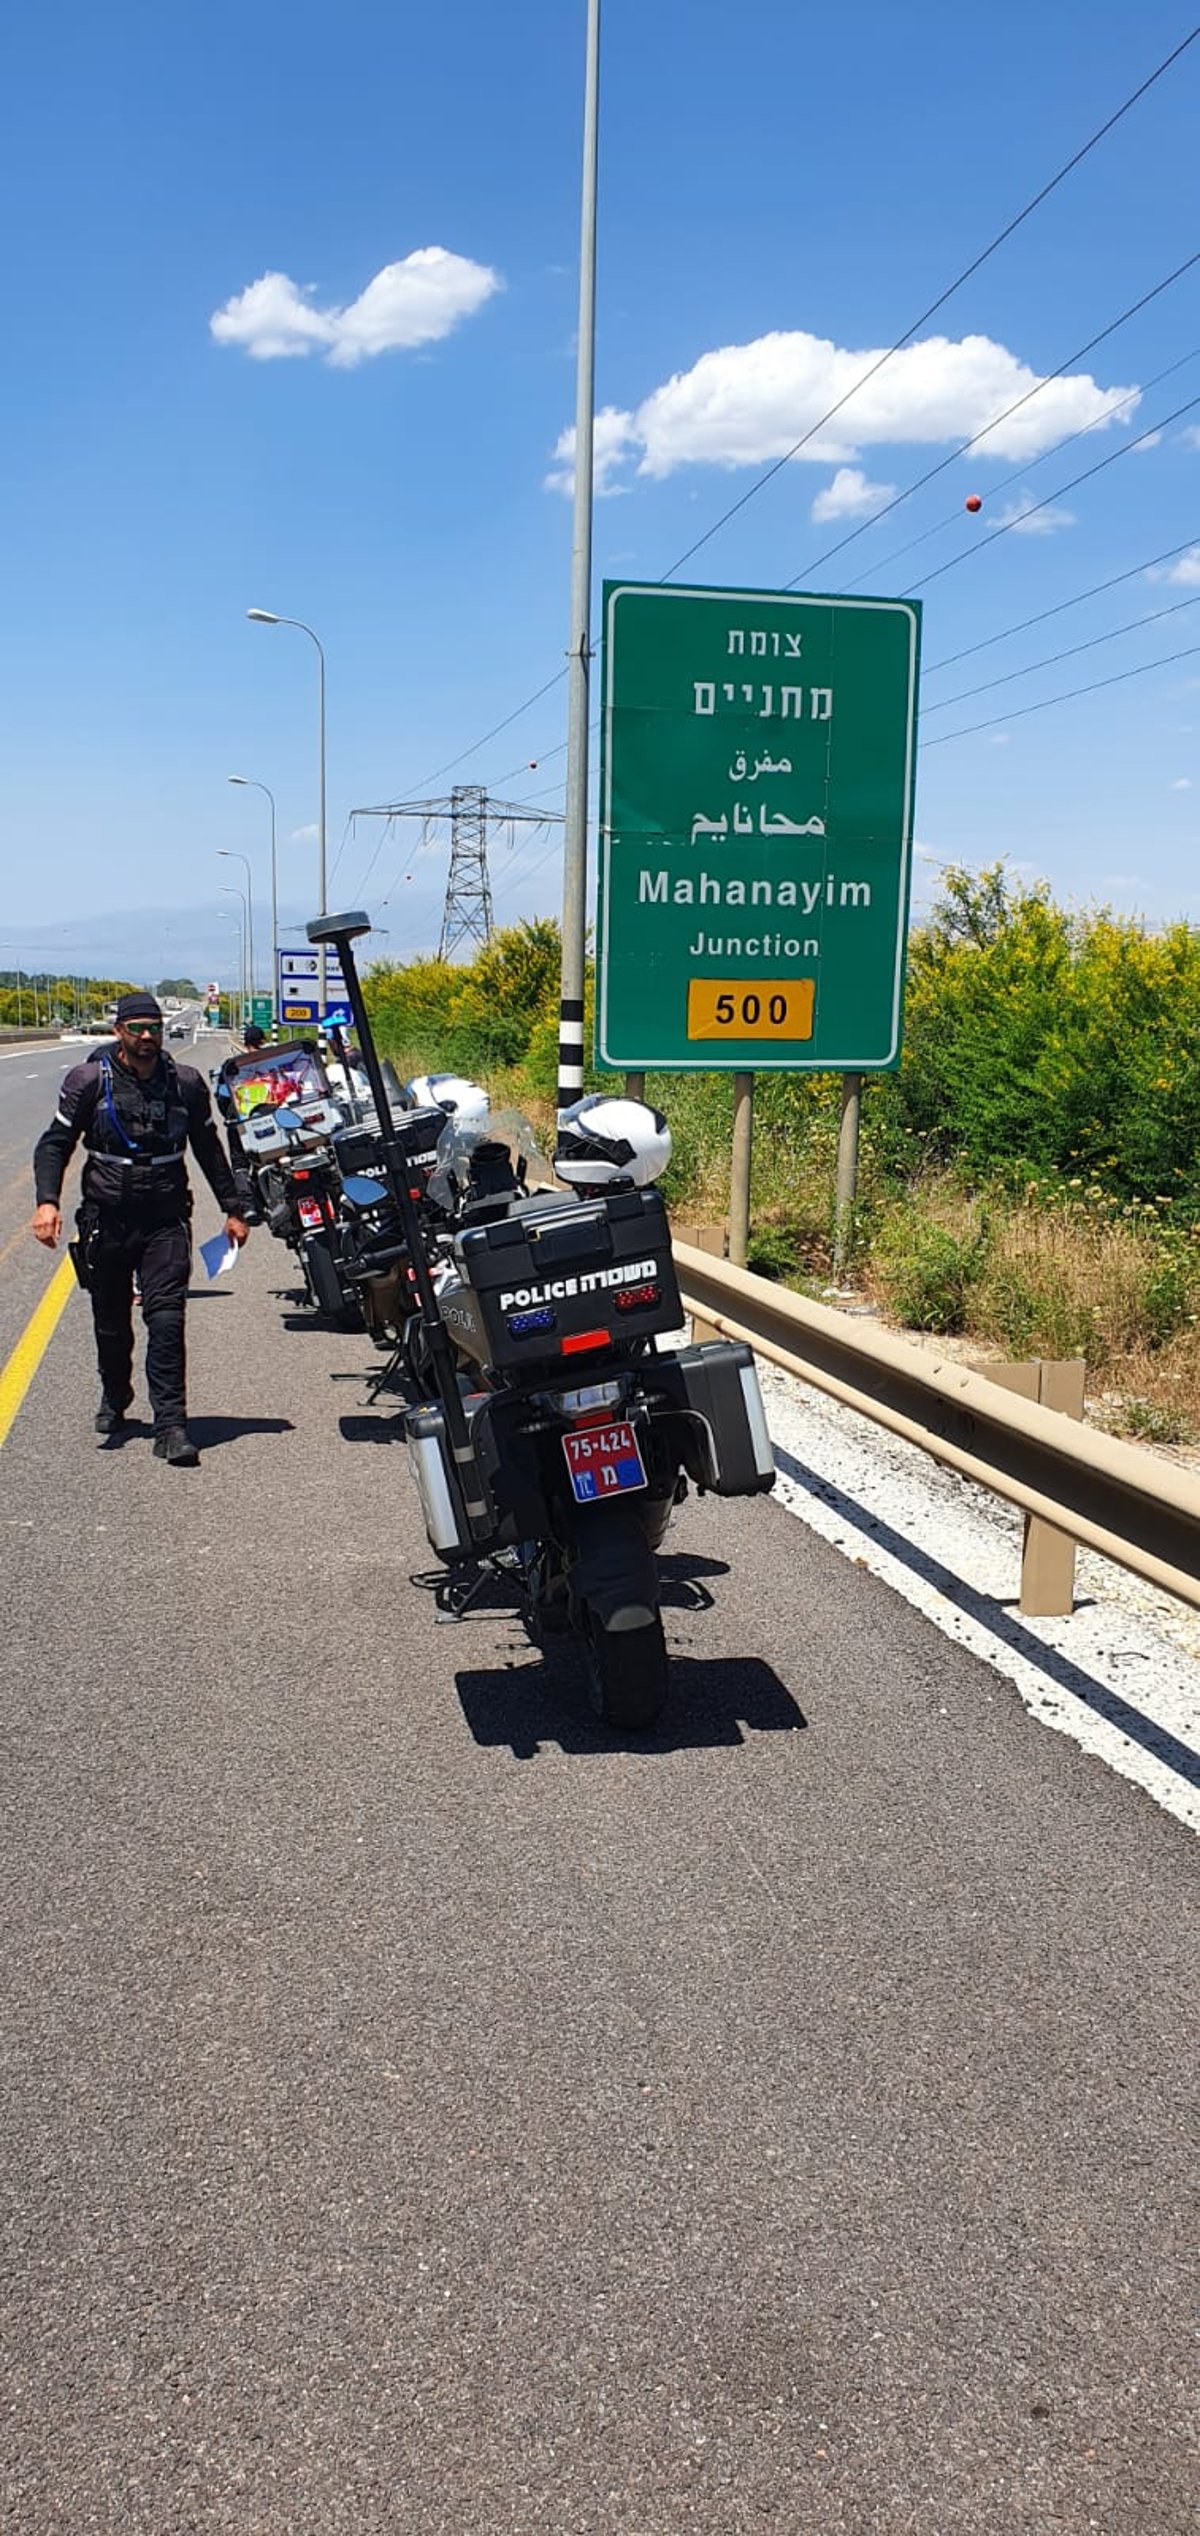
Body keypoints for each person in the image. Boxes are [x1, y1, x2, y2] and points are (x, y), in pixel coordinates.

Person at [31, 991, 250, 1465]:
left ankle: (171, 1426)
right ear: (119, 1033)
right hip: (107, 1220)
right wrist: (46, 1202)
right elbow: (54, 1144)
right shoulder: (89, 1080)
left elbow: (209, 1151)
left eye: (153, 1027)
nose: (147, 1036)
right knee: (111, 1322)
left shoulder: (186, 1085)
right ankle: (116, 1395)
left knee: (167, 1318)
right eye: (137, 1029)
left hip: (165, 1220)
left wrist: (234, 1209)